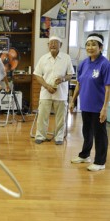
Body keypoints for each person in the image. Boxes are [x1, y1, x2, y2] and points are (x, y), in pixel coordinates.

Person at [70, 33, 110, 171]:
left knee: (100, 134)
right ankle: (85, 155)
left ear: (101, 47)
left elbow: (108, 87)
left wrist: (105, 107)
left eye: (94, 44)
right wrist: (72, 101)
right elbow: (79, 84)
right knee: (86, 131)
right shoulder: (83, 63)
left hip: (98, 106)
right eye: (88, 44)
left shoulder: (105, 64)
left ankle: (100, 162)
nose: (90, 47)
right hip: (85, 105)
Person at [33, 36, 74, 145]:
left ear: (60, 45)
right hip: (45, 92)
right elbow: (37, 75)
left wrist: (63, 79)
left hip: (60, 93)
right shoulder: (43, 58)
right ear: (48, 45)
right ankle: (40, 136)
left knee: (60, 117)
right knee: (42, 116)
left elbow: (71, 74)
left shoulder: (66, 58)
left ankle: (59, 137)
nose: (53, 45)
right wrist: (46, 86)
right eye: (51, 43)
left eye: (56, 43)